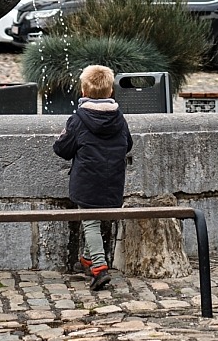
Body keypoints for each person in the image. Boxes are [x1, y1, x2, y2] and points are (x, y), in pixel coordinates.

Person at [53, 64, 132, 291]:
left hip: (87, 181)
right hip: (113, 181)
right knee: (95, 221)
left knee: (89, 222)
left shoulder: (78, 120)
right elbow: (128, 144)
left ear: (83, 91)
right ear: (111, 92)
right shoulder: (119, 119)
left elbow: (62, 149)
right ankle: (88, 259)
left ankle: (99, 268)